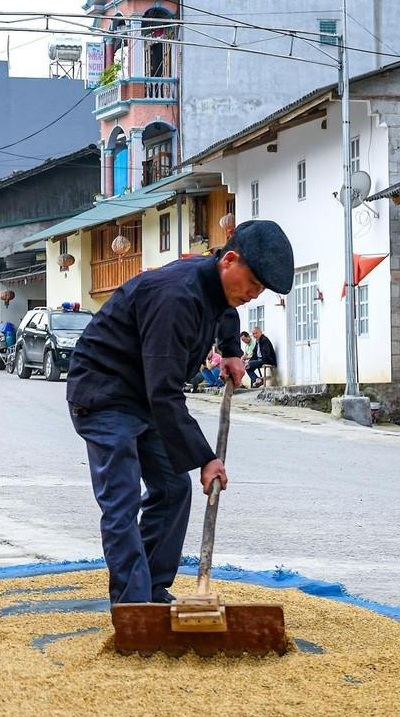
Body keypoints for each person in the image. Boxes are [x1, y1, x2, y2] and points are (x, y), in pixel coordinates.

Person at [66, 220, 292, 604]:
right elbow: (166, 394)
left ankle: (153, 588)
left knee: (173, 489)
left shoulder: (218, 287)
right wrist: (206, 458)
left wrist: (232, 352)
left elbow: (225, 311)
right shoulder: (176, 298)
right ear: (230, 260)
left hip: (144, 392)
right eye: (253, 284)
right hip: (104, 392)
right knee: (121, 501)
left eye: (260, 290)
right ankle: (134, 607)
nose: (253, 295)